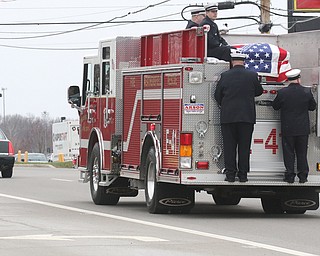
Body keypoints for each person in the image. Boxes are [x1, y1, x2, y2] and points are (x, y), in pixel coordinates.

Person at [214, 52, 263, 182]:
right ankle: (243, 175)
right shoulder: (252, 75)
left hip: (228, 117)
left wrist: (223, 105)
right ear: (244, 62)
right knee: (244, 147)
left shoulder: (225, 76)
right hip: (246, 117)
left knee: (229, 147)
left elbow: (217, 94)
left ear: (232, 61)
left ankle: (230, 174)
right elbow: (259, 91)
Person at [272, 69, 316, 183]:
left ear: (288, 80)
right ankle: (303, 176)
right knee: (302, 153)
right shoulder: (306, 92)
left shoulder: (282, 93)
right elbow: (312, 107)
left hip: (288, 128)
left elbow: (275, 106)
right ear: (299, 79)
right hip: (302, 129)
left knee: (289, 152)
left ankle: (290, 175)